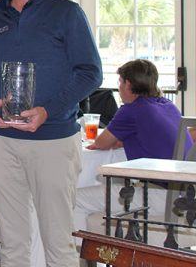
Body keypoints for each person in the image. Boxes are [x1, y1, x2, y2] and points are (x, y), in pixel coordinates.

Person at [0, 0, 102, 267]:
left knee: (57, 242)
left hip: (54, 141)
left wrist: (48, 111)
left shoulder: (66, 12)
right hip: (4, 143)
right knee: (12, 243)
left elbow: (90, 72)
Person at [73, 59, 192, 232]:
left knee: (76, 199)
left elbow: (101, 142)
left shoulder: (132, 110)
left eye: (120, 82)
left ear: (128, 84)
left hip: (168, 197)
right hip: (188, 192)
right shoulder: (168, 105)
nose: (119, 87)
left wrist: (118, 140)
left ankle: (81, 255)